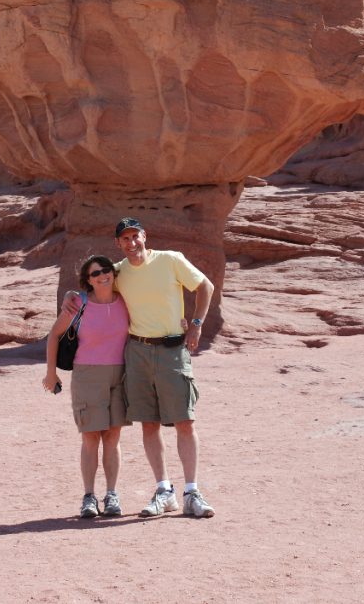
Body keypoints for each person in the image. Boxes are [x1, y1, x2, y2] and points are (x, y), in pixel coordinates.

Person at [64, 217, 216, 518]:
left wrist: (196, 324)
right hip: (137, 351)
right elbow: (98, 286)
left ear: (145, 236)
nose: (132, 243)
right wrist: (74, 295)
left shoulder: (171, 260)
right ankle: (164, 491)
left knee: (185, 421)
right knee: (149, 423)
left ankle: (191, 492)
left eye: (136, 237)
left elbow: (205, 286)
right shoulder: (118, 271)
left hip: (172, 350)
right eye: (125, 239)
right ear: (118, 243)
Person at [44, 255, 130, 519]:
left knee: (113, 437)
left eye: (106, 270)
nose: (103, 275)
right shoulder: (79, 303)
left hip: (120, 375)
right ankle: (89, 496)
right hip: (87, 375)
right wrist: (51, 374)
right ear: (88, 280)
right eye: (95, 274)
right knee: (91, 436)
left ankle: (112, 494)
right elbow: (54, 335)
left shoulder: (126, 301)